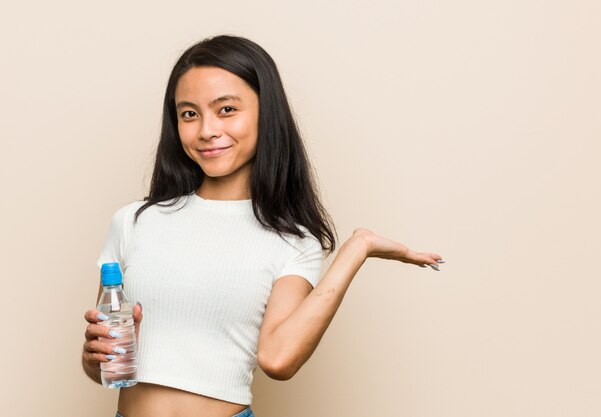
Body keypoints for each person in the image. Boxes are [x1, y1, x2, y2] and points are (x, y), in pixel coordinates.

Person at [81, 34, 445, 417]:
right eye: (189, 114)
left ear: (265, 112)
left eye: (226, 110)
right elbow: (104, 365)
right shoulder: (135, 222)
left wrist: (358, 248)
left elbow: (278, 359)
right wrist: (94, 355)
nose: (206, 130)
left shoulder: (291, 241)